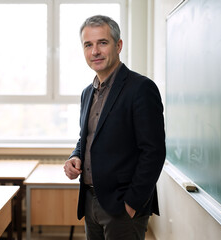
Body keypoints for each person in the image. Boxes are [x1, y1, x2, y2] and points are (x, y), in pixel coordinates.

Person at [64, 15, 166, 240]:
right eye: (88, 45)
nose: (95, 51)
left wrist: (132, 203)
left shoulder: (141, 88)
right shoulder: (87, 92)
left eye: (102, 42)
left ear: (118, 46)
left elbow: (154, 151)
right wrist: (75, 156)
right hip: (90, 199)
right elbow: (88, 138)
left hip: (122, 206)